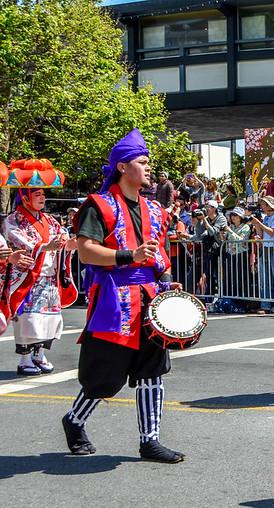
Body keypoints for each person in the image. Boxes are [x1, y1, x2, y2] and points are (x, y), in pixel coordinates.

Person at [62, 129, 184, 462]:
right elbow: (86, 252)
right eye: (142, 162)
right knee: (104, 378)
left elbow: (159, 252)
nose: (148, 168)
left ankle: (150, 440)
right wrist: (128, 256)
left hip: (150, 298)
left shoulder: (155, 210)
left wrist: (168, 280)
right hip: (114, 301)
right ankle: (74, 420)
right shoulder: (98, 205)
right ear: (122, 167)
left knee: (153, 371)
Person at [3, 186, 72, 376]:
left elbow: (61, 236)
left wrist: (67, 243)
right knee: (28, 318)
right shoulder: (13, 219)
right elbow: (17, 239)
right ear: (25, 198)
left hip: (49, 274)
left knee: (50, 318)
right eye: (37, 195)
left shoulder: (49, 219)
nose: (42, 198)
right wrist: (45, 246)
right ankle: (24, 358)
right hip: (27, 275)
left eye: (43, 194)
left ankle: (39, 353)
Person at [251, 195, 274, 314]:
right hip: (266, 248)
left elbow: (272, 232)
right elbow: (262, 234)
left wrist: (259, 223)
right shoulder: (266, 217)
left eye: (263, 204)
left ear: (268, 205)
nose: (261, 206)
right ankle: (265, 305)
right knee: (264, 278)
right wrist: (256, 225)